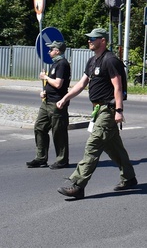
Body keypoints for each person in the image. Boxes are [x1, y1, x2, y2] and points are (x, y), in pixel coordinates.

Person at [56, 28, 136, 199]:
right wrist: (66, 98)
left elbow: (118, 87)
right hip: (98, 110)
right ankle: (129, 178)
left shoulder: (111, 60)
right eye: (89, 38)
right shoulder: (92, 61)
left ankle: (78, 185)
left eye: (93, 38)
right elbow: (81, 84)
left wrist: (119, 111)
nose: (89, 41)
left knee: (92, 146)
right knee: (114, 148)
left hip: (108, 110)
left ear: (103, 41)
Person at [27, 40, 71, 169]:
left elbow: (58, 84)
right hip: (47, 102)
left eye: (51, 49)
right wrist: (44, 91)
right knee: (39, 127)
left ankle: (62, 160)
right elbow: (52, 85)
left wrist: (45, 78)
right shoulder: (55, 64)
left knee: (59, 133)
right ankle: (41, 158)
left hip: (57, 103)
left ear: (57, 51)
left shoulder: (62, 64)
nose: (49, 51)